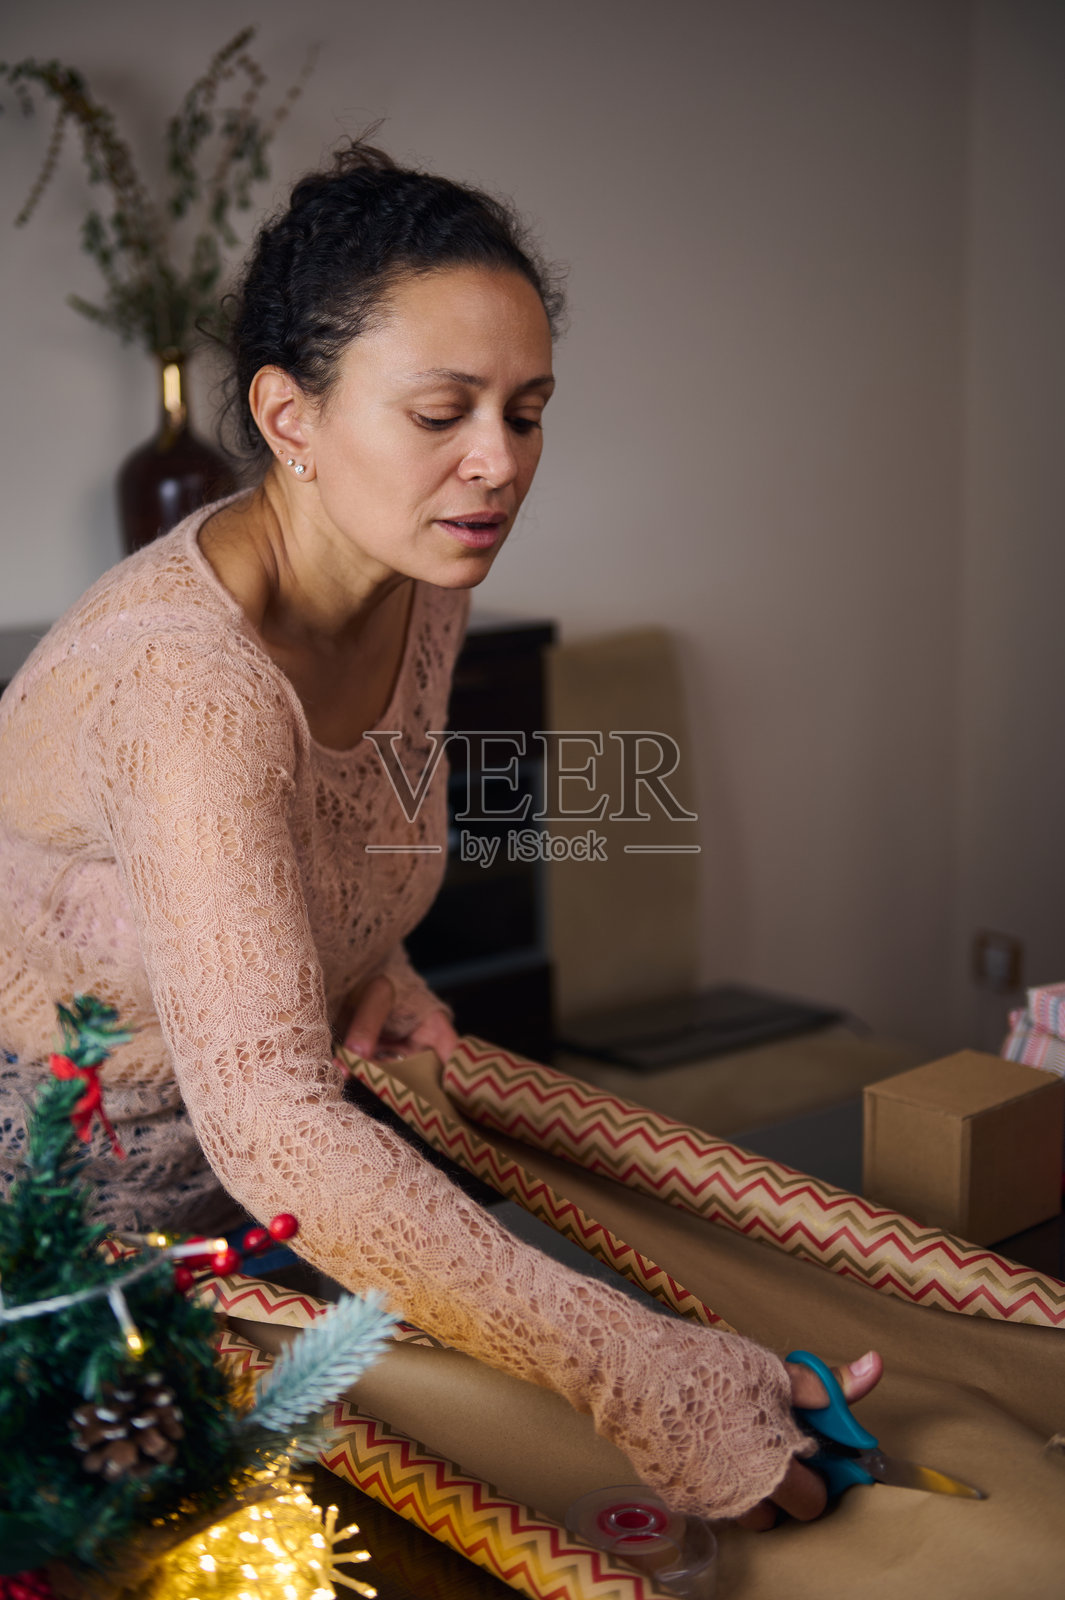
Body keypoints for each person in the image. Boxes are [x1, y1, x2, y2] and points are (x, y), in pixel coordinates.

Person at [0, 140, 881, 1526]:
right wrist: (646, 1382)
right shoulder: (185, 682)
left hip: (246, 1237)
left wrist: (365, 964)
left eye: (526, 412)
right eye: (442, 412)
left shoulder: (422, 570)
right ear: (289, 418)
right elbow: (279, 1123)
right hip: (47, 1277)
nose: (498, 465)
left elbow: (295, 875)